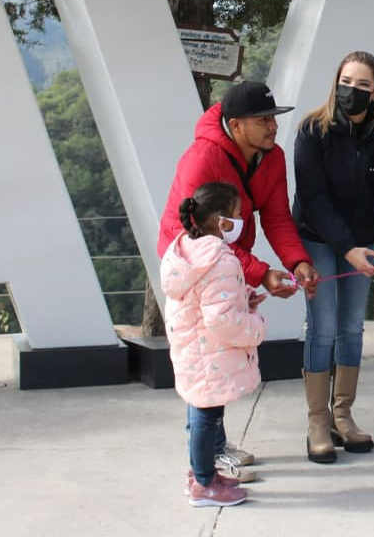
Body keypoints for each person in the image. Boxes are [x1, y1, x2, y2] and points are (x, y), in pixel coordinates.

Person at [158, 80, 321, 470]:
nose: (272, 126)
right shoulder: (202, 159)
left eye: (274, 117)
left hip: (227, 259)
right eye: (262, 120)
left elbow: (278, 217)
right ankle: (207, 459)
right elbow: (206, 238)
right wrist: (261, 273)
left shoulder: (273, 158)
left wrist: (297, 263)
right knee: (204, 356)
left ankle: (213, 446)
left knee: (214, 357)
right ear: (235, 125)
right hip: (194, 261)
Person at [292, 51, 374, 463]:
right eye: (346, 81)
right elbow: (313, 197)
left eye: (362, 85)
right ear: (335, 82)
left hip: (363, 243)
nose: (352, 91)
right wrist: (347, 248)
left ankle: (343, 414)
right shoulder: (312, 129)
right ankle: (317, 421)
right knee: (322, 326)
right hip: (318, 239)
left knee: (352, 328)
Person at [161, 182, 266, 508]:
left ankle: (200, 474)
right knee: (207, 417)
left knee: (199, 412)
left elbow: (207, 298)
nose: (241, 221)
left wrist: (242, 297)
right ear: (221, 222)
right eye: (236, 215)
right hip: (209, 354)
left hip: (193, 350)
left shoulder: (187, 251)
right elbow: (222, 321)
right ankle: (205, 484)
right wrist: (255, 327)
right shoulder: (219, 259)